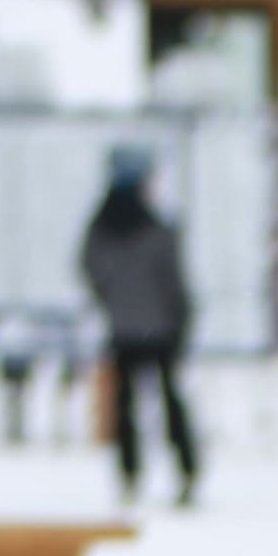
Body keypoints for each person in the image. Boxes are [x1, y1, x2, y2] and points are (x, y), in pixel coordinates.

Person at [81, 156, 200, 507]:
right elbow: (174, 282)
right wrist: (181, 320)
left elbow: (89, 267)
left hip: (123, 329)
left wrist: (112, 300)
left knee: (126, 406)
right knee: (169, 403)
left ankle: (129, 473)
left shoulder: (102, 229)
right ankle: (185, 469)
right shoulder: (157, 230)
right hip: (160, 330)